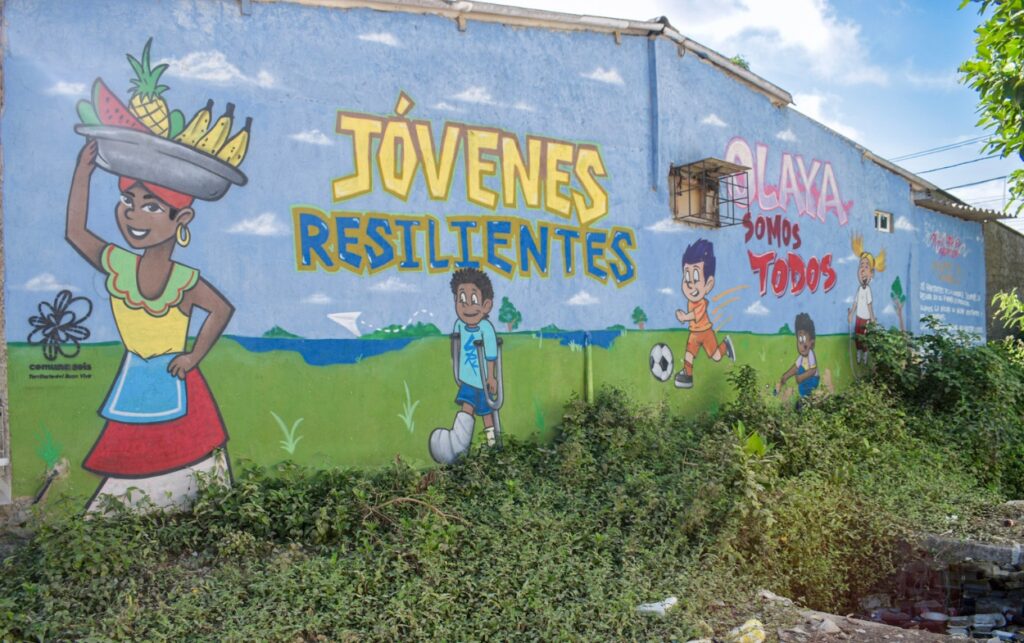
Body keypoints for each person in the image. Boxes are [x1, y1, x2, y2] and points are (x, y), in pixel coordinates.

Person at [66, 140, 235, 512]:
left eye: (152, 206)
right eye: (128, 201)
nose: (133, 214)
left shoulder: (184, 281)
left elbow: (221, 310)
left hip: (179, 386)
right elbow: (76, 233)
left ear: (181, 219)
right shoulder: (119, 265)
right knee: (127, 462)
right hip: (135, 383)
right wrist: (82, 173)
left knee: (197, 463)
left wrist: (193, 357)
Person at [428, 268, 499, 464]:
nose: (467, 305)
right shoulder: (459, 325)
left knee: (487, 414)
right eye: (461, 299)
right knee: (467, 409)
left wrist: (491, 377)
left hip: (483, 382)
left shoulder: (486, 328)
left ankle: (492, 445)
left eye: (473, 299)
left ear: (486, 305)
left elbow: (491, 353)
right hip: (467, 380)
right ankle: (460, 448)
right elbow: (456, 348)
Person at [674, 238, 735, 389]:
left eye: (695, 277)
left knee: (716, 356)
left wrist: (684, 317)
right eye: (687, 277)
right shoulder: (691, 300)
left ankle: (725, 345)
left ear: (708, 284)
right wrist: (684, 316)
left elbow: (696, 315)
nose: (690, 283)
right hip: (694, 333)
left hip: (706, 332)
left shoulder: (702, 303)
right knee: (689, 354)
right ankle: (687, 376)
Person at [847, 234, 885, 364]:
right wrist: (851, 314)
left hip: (866, 318)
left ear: (871, 273)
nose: (862, 269)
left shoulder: (868, 289)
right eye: (861, 265)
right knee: (858, 337)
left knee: (865, 338)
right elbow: (855, 302)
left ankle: (865, 354)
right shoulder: (859, 289)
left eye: (866, 266)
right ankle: (858, 353)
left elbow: (869, 305)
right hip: (858, 317)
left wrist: (872, 318)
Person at [778, 312, 820, 399]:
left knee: (801, 370)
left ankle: (807, 397)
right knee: (799, 368)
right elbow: (795, 368)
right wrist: (785, 376)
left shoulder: (810, 354)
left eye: (804, 340)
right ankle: (804, 398)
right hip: (804, 385)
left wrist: (801, 377)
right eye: (799, 340)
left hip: (812, 381)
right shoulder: (801, 358)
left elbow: (813, 370)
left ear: (811, 342)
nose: (801, 345)